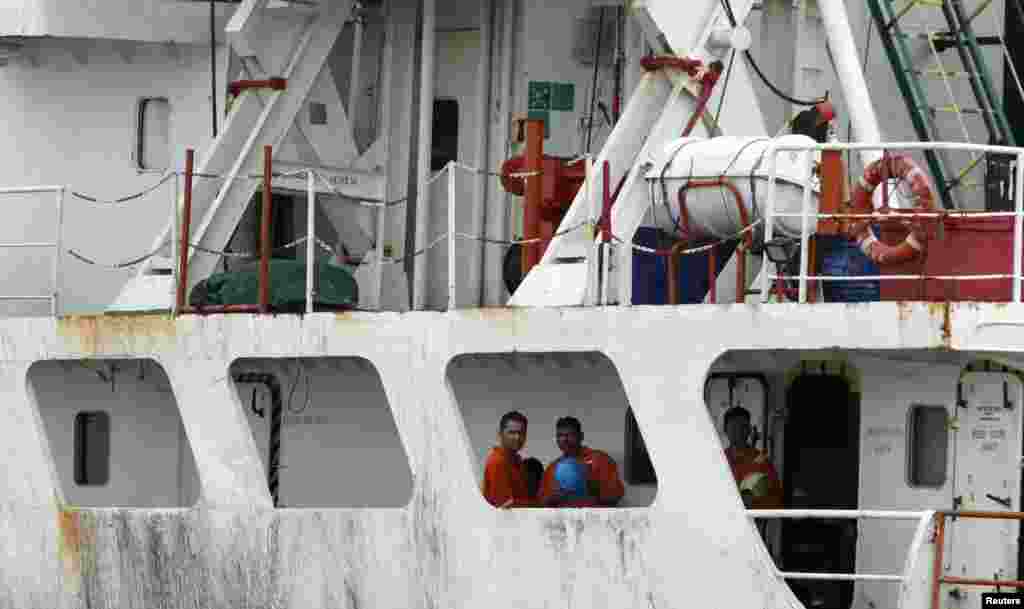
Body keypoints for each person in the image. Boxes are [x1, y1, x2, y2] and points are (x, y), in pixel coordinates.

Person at [540, 417, 625, 507]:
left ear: (581, 436)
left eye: (570, 434)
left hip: (593, 518)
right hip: (564, 520)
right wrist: (553, 497)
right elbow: (541, 503)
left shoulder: (600, 459)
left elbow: (616, 496)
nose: (565, 439)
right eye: (560, 435)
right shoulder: (552, 468)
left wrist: (592, 487)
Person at [723, 406, 783, 509]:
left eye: (742, 426)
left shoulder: (762, 461)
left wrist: (755, 503)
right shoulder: (719, 458)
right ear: (725, 430)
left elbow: (775, 499)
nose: (738, 431)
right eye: (733, 426)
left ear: (749, 430)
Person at [481, 411, 533, 508]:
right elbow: (506, 505)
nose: (517, 437)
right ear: (500, 433)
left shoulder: (517, 461)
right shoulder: (497, 461)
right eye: (512, 433)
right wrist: (537, 504)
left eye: (521, 433)